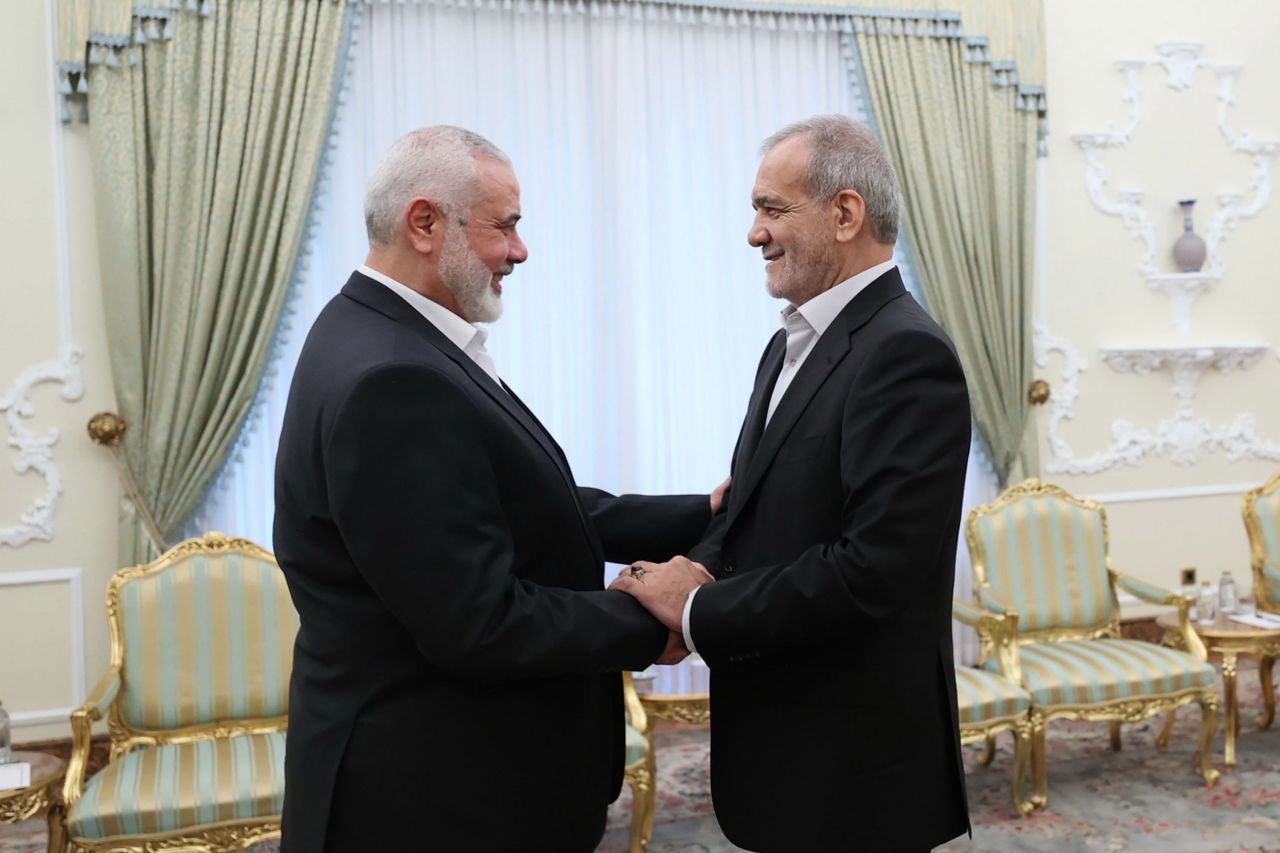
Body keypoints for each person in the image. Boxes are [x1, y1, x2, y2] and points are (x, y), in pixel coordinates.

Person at [273, 126, 721, 852]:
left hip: (444, 770)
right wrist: (663, 617)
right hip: (437, 794)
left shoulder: (373, 327)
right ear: (425, 223)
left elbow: (522, 507)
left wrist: (701, 512)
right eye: (505, 226)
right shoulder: (394, 377)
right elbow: (479, 621)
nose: (520, 250)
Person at [612, 115, 972, 850]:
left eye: (772, 209)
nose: (754, 233)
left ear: (845, 213)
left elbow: (875, 571)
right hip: (782, 744)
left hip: (854, 767)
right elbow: (747, 503)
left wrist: (699, 610)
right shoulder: (786, 345)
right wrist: (697, 566)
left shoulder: (907, 353)